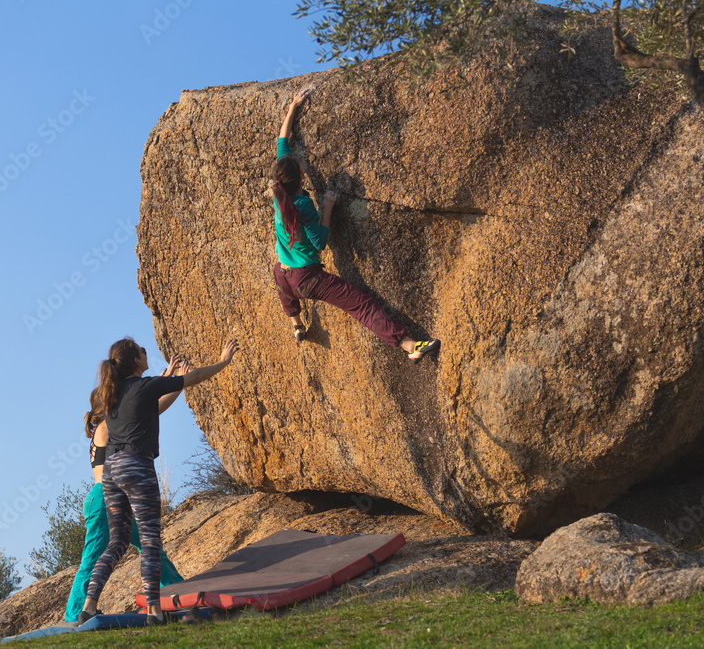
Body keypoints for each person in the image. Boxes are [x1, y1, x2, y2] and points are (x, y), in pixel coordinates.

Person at [79, 336, 239, 625]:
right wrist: (224, 361)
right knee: (151, 542)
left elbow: (153, 402)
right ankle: (154, 611)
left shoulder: (112, 394)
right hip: (136, 466)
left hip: (112, 473)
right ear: (136, 361)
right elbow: (195, 377)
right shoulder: (145, 386)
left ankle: (89, 605)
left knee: (116, 543)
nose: (145, 351)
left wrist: (167, 373)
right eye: (141, 350)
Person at [271, 89, 440, 363]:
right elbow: (319, 243)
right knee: (362, 305)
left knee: (285, 289)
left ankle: (297, 326)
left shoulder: (279, 194)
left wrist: (293, 108)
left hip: (283, 274)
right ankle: (410, 346)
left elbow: (282, 143)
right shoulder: (302, 207)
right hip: (307, 279)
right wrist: (326, 207)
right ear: (300, 179)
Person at [62, 357, 186, 625]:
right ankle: (75, 613)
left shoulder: (108, 425)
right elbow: (151, 407)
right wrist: (174, 383)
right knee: (93, 556)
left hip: (114, 496)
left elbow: (146, 405)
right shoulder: (107, 427)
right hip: (103, 498)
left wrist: (168, 377)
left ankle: (178, 590)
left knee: (150, 547)